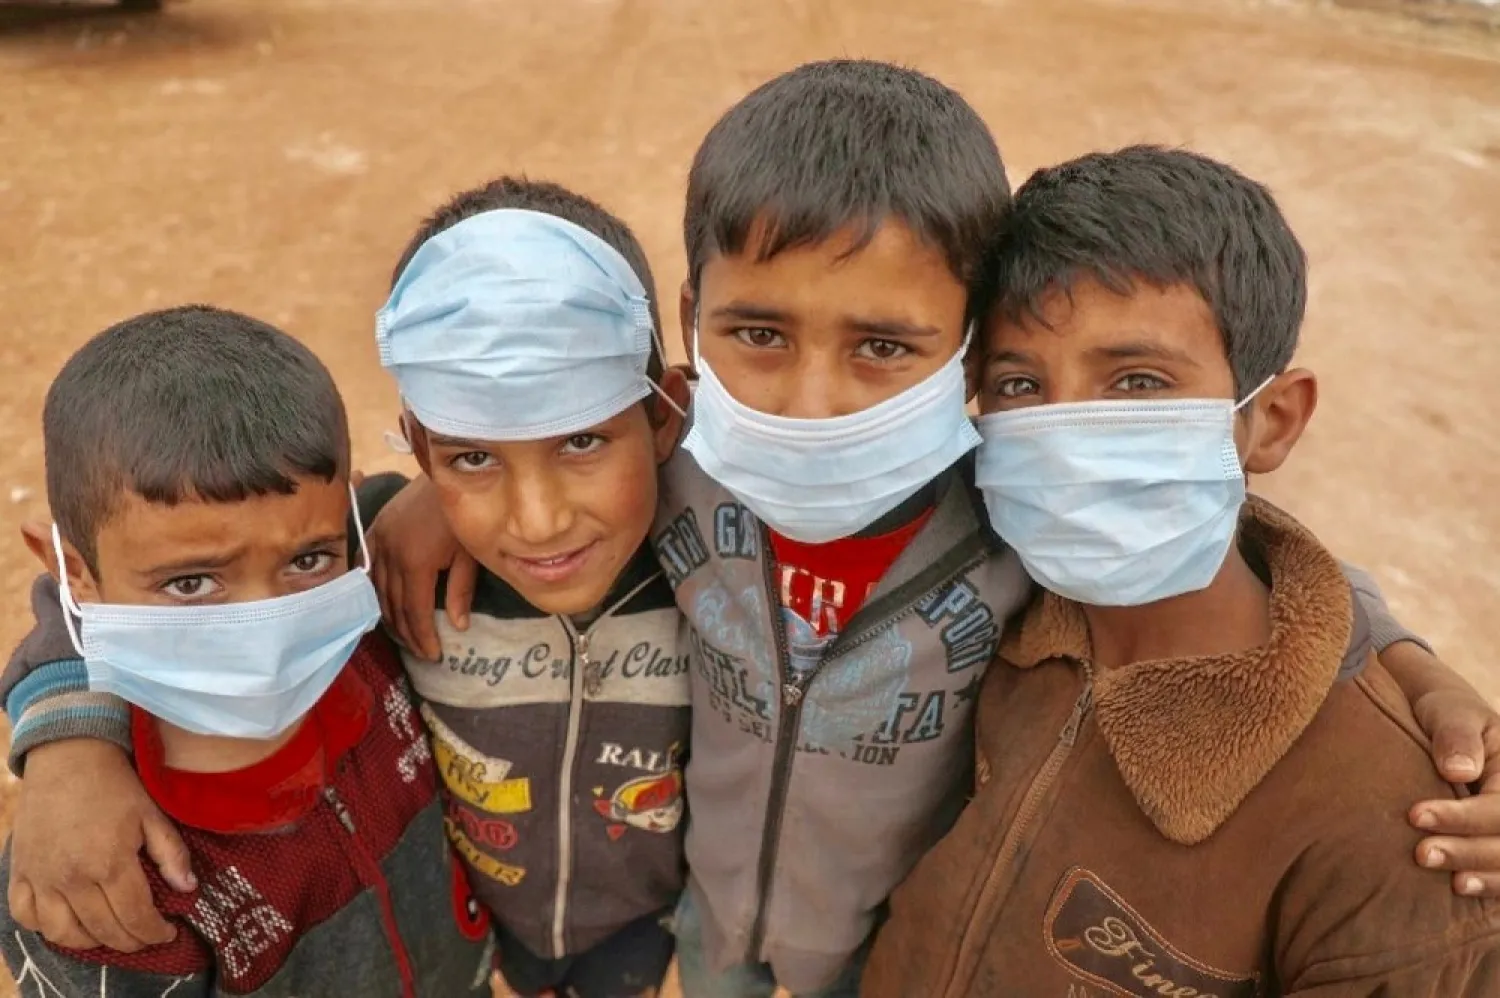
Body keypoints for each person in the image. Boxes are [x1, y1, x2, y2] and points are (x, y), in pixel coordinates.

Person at [364, 62, 1500, 997]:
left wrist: (1406, 662)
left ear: (964, 350)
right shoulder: (682, 467)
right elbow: (549, 459)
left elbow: (1223, 542)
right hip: (707, 948)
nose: (810, 402)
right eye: (757, 333)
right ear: (689, 327)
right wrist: (431, 495)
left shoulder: (1025, 509)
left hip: (889, 963)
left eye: (884, 346)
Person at [0, 180, 693, 998]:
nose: (537, 522)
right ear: (421, 446)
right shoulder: (365, 564)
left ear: (663, 421)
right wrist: (69, 750)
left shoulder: (713, 550)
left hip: (637, 934)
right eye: (472, 455)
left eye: (581, 437)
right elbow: (86, 602)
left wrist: (445, 491)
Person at [861, 145, 1500, 996]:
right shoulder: (996, 599)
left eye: (1136, 382)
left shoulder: (1393, 825)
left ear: (1270, 421)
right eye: (1018, 385)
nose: (1067, 439)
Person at [0, 305, 495, 996]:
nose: (265, 622)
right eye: (192, 582)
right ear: (75, 570)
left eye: (307, 561)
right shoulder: (97, 871)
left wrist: (450, 494)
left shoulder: (370, 590)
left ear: (350, 523)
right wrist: (66, 735)